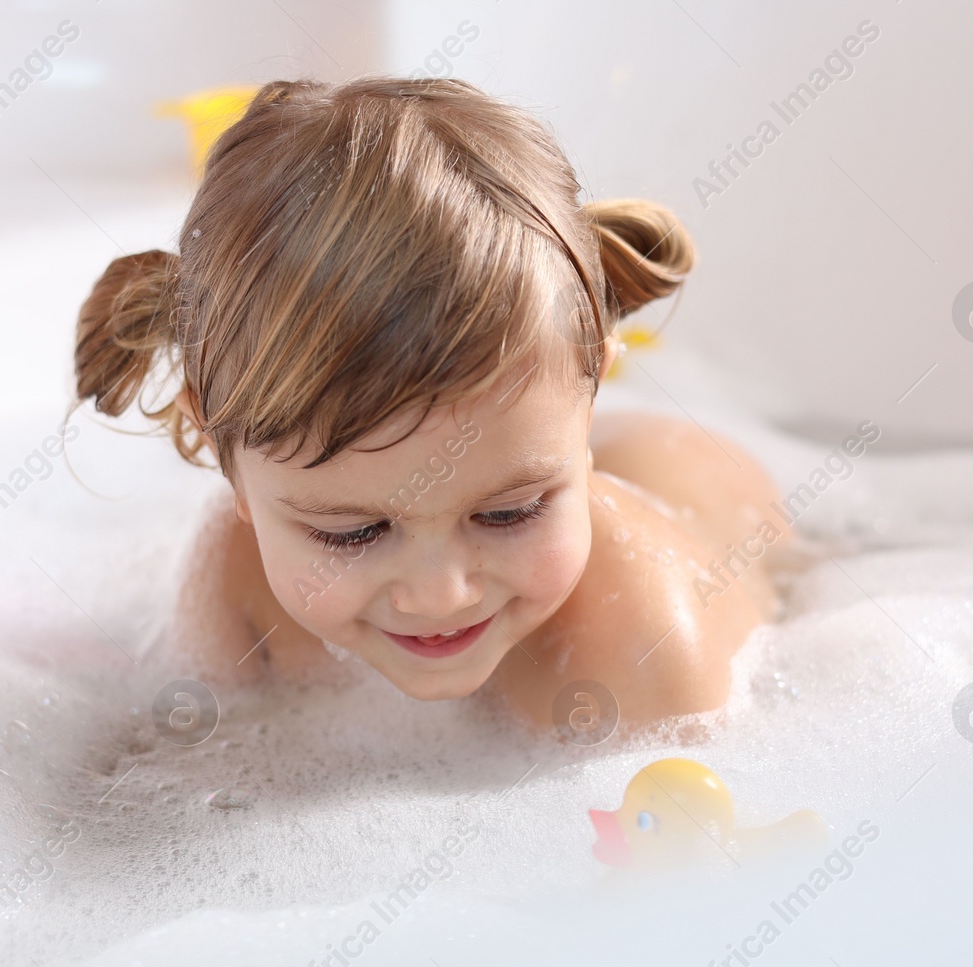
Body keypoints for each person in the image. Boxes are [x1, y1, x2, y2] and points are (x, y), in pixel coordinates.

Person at [72, 77, 785, 729]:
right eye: (351, 534)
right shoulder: (238, 582)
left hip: (704, 495)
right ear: (224, 454)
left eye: (510, 512)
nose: (441, 594)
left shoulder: (645, 651)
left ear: (591, 387)